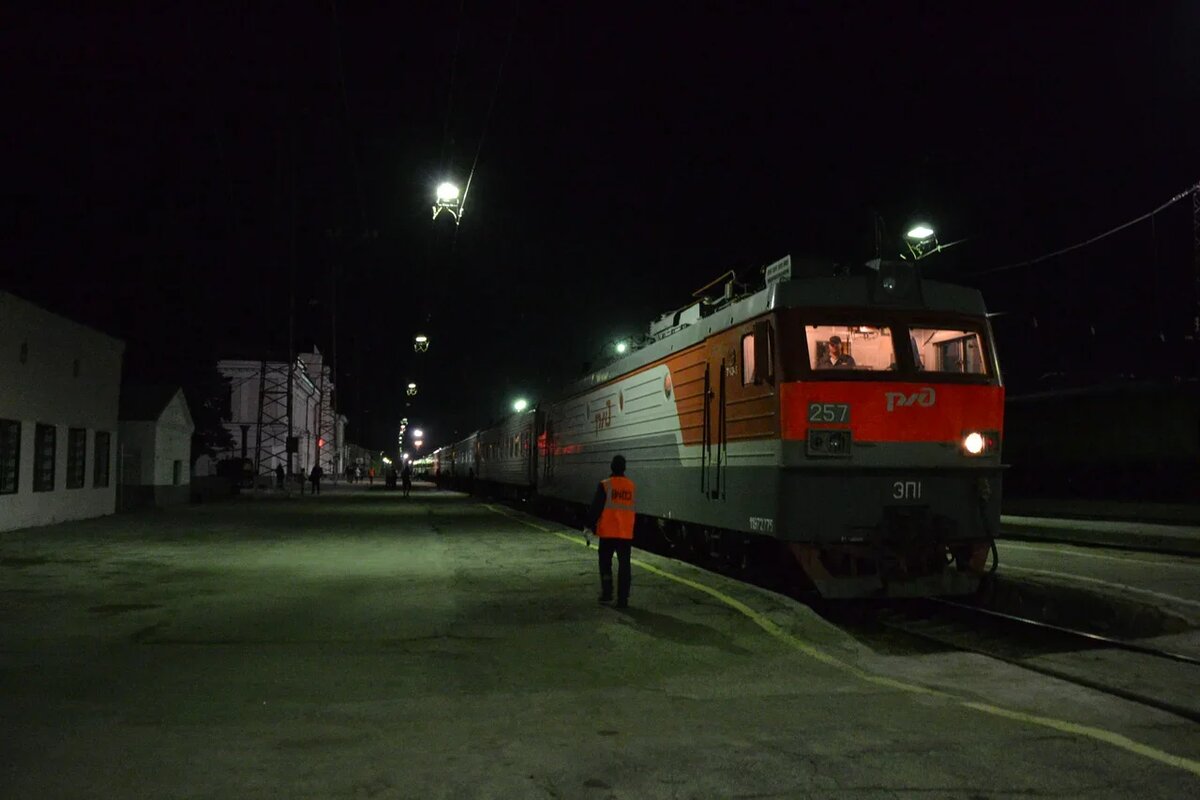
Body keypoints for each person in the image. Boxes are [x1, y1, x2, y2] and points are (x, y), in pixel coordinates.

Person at [586, 455, 636, 608]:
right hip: (625, 533)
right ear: (624, 468)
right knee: (625, 566)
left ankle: (607, 593)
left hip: (608, 533)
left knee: (605, 563)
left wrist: (588, 525)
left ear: (611, 467)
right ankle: (623, 599)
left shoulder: (605, 485)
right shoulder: (630, 486)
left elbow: (596, 507)